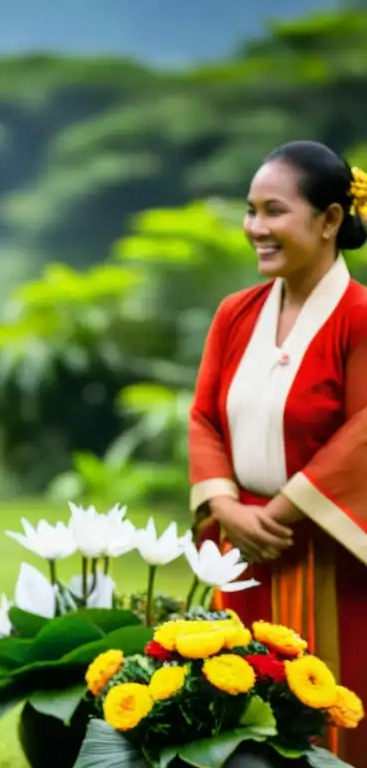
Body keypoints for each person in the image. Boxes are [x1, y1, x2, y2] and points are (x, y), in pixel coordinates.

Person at [189, 140, 367, 763]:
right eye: (250, 210)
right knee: (234, 705)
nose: (256, 229)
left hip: (322, 549)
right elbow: (206, 418)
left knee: (329, 711)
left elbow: (364, 430)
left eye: (274, 211)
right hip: (240, 549)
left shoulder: (360, 318)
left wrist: (281, 514)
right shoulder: (235, 314)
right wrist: (228, 508)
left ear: (329, 221)